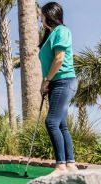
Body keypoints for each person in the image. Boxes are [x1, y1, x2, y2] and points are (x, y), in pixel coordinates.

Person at [38, 2, 78, 175]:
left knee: (51, 122)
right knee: (61, 125)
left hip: (63, 81)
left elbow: (59, 59)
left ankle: (60, 166)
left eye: (42, 15)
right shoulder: (51, 34)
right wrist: (47, 81)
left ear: (49, 15)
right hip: (57, 82)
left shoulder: (62, 31)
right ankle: (70, 165)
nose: (40, 18)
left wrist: (46, 80)